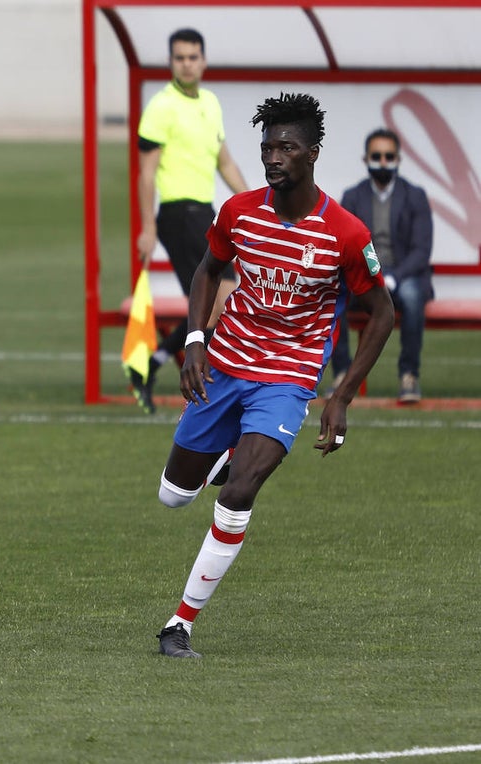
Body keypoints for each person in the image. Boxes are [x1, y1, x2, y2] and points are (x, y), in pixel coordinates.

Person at [152, 93, 394, 659]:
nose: (273, 157)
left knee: (241, 491)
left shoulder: (346, 233)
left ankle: (180, 624)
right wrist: (194, 343)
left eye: (286, 147)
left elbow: (382, 314)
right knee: (172, 497)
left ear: (312, 153)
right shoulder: (237, 211)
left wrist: (341, 396)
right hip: (226, 365)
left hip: (288, 379)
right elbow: (208, 270)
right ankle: (217, 453)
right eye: (267, 147)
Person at [129, 27, 249, 414]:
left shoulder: (210, 103)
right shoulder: (161, 107)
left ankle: (153, 364)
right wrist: (147, 227)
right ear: (171, 62)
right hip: (179, 214)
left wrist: (255, 204)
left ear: (204, 60)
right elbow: (146, 173)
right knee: (220, 298)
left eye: (193, 56)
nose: (187, 63)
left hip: (204, 213)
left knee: (213, 304)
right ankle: (200, 383)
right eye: (180, 57)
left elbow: (224, 161)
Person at [329, 129, 433, 403]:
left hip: (404, 277)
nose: (383, 162)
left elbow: (421, 251)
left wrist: (394, 277)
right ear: (366, 159)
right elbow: (342, 246)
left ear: (398, 158)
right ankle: (341, 374)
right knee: (332, 292)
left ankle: (409, 376)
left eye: (389, 156)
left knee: (412, 295)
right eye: (377, 156)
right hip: (364, 276)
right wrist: (372, 275)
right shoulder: (352, 197)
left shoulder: (415, 196)